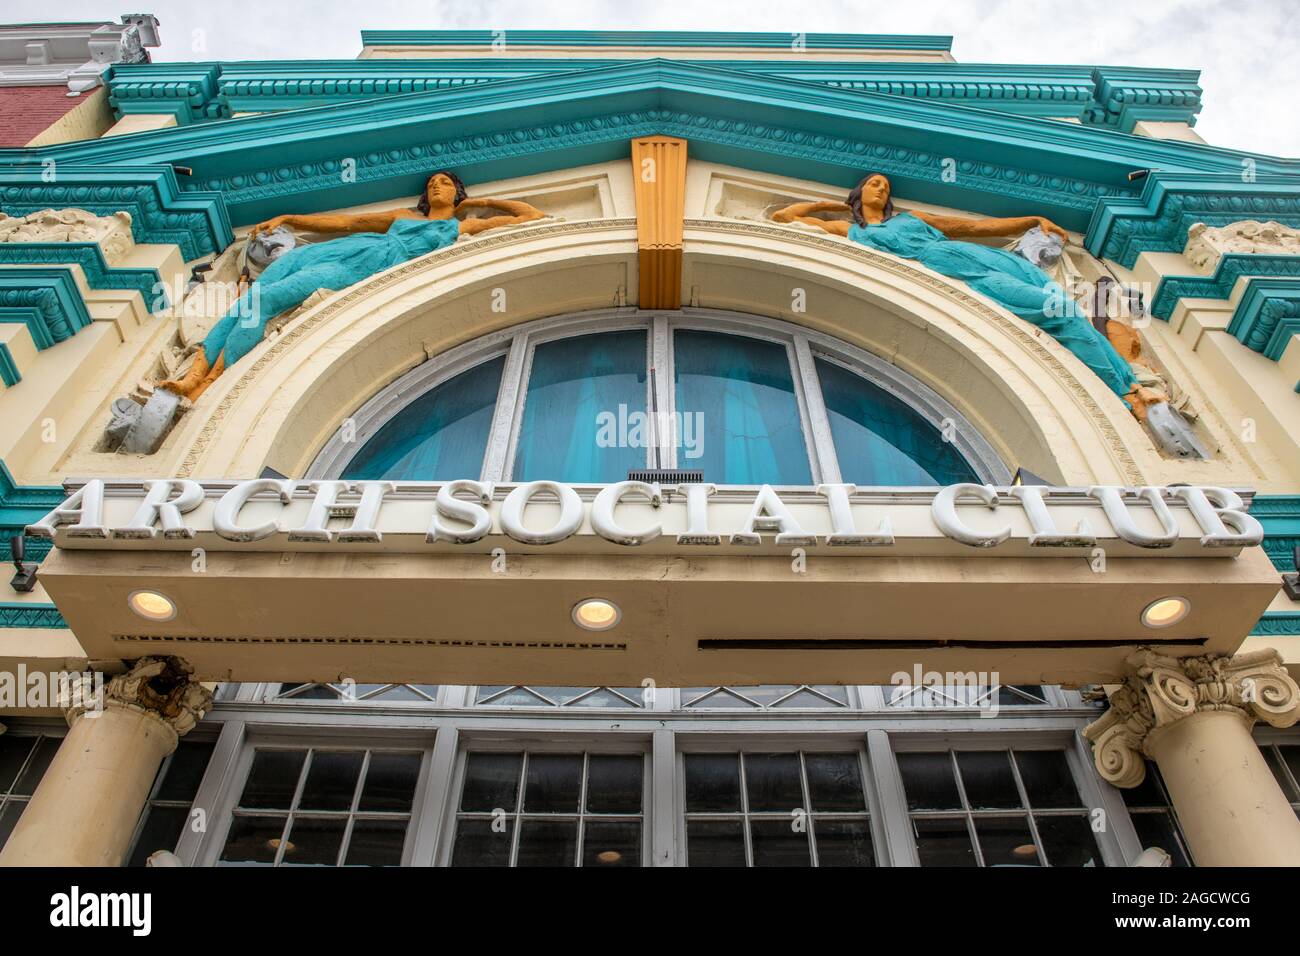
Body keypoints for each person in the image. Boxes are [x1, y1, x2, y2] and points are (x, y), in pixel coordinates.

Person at [772, 173, 1160, 414]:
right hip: (963, 272)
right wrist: (830, 204)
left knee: (1071, 311)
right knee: (1057, 307)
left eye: (886, 187)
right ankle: (1124, 391)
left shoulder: (911, 219)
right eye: (874, 183)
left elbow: (972, 227)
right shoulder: (856, 232)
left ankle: (1130, 385)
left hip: (986, 258)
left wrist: (1030, 220)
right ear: (859, 193)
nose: (882, 188)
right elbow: (784, 218)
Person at [160, 170, 544, 401]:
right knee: (255, 295)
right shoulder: (403, 216)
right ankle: (195, 375)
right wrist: (291, 217)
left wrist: (481, 202)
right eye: (431, 183)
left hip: (371, 268)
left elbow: (531, 215)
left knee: (266, 298)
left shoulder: (458, 226)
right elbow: (347, 225)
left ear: (458, 193)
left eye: (445, 184)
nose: (437, 187)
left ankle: (213, 381)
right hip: (352, 250)